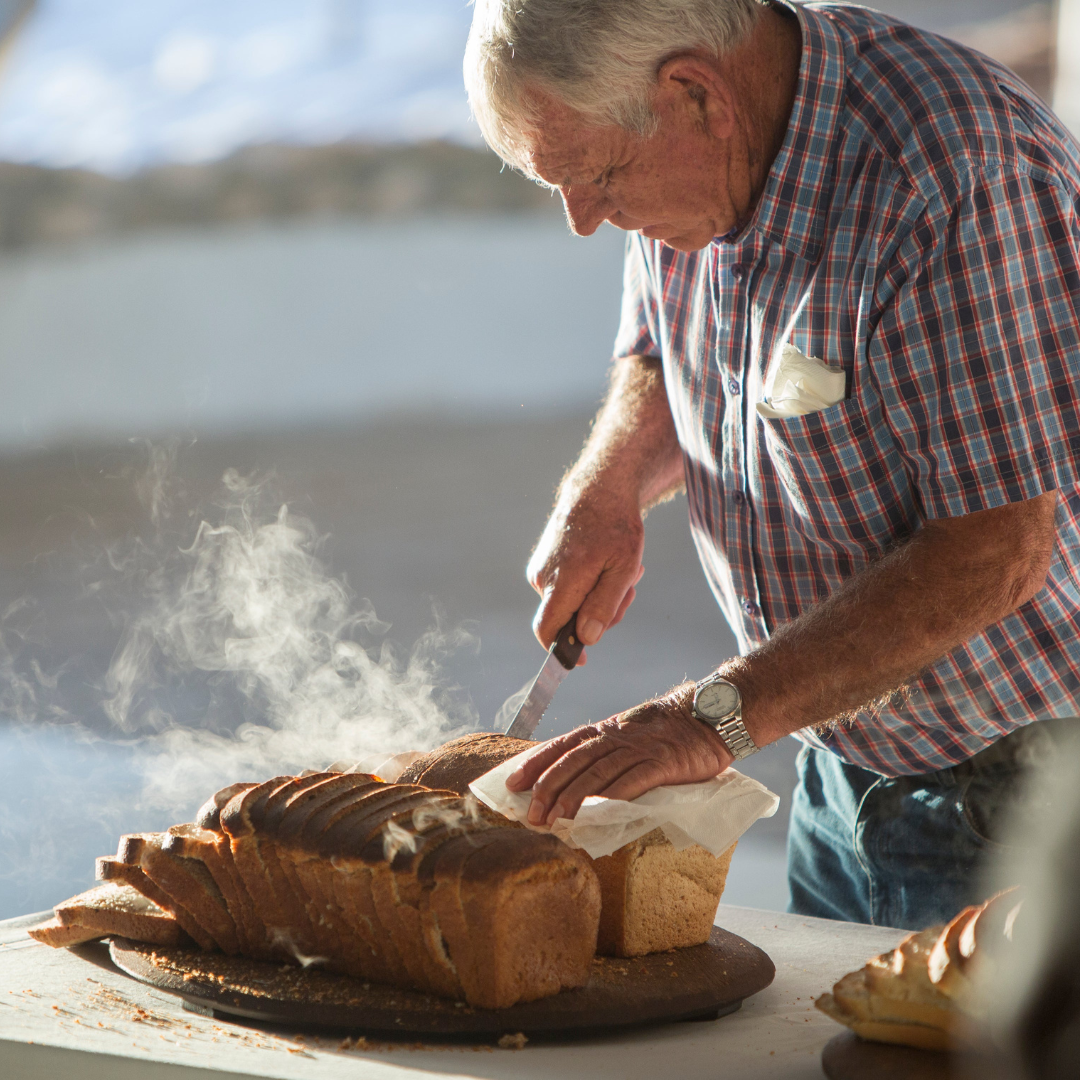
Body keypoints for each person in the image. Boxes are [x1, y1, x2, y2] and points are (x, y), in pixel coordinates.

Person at [463, 0, 1080, 929]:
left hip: (1026, 802)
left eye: (596, 177)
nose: (585, 222)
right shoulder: (685, 155)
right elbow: (660, 347)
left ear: (696, 93)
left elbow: (996, 546)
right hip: (836, 761)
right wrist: (612, 481)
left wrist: (707, 719)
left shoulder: (956, 173)